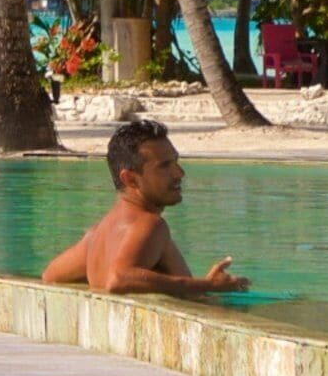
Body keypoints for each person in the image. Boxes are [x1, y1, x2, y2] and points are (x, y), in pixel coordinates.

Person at [41, 117, 249, 296]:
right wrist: (208, 286)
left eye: (175, 162)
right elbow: (118, 279)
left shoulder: (96, 234)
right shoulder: (150, 224)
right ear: (130, 179)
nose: (179, 173)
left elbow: (51, 275)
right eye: (164, 166)